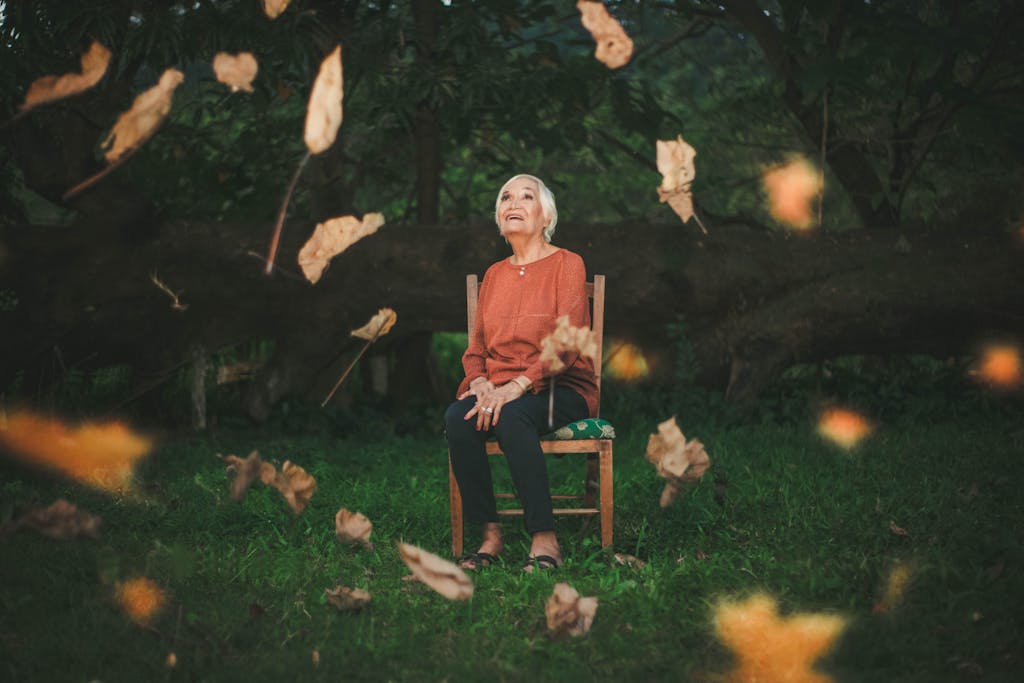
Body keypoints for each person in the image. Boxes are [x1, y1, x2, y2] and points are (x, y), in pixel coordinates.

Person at [445, 173, 598, 572]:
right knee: (457, 418)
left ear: (546, 216)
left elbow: (566, 346)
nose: (513, 203)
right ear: (498, 216)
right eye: (505, 197)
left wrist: (516, 385)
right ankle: (490, 536)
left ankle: (545, 539)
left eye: (526, 197)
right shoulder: (494, 275)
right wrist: (479, 383)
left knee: (513, 416)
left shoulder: (567, 263)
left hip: (562, 386)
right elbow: (476, 350)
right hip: (500, 389)